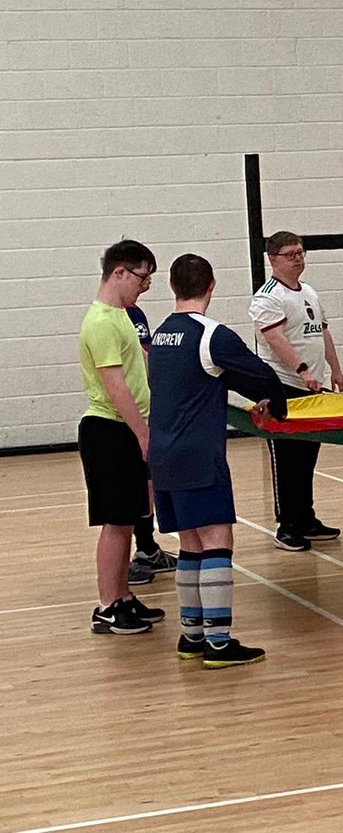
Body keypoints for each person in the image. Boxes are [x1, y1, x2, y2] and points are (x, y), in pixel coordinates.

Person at [149, 254, 288, 668]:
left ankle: (192, 636)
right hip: (198, 452)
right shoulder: (211, 334)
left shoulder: (160, 335)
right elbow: (261, 375)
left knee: (190, 542)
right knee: (217, 540)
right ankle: (219, 642)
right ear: (212, 285)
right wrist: (277, 404)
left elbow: (217, 377)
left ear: (173, 286)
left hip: (162, 452)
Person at [77, 240, 167, 635]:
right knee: (115, 523)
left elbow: (140, 369)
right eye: (142, 278)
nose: (144, 287)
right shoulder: (100, 322)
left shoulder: (122, 317)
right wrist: (142, 432)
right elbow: (116, 387)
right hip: (110, 430)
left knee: (128, 518)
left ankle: (124, 596)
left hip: (124, 429)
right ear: (119, 273)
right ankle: (107, 605)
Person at [250, 231, 343, 551]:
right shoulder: (267, 297)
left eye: (301, 252)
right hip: (284, 388)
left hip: (313, 389)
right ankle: (286, 525)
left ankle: (306, 517)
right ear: (273, 259)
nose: (298, 259)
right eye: (290, 254)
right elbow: (276, 340)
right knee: (287, 458)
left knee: (307, 457)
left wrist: (335, 368)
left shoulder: (309, 292)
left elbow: (322, 333)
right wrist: (302, 370)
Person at [125, 293, 178, 584]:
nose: (146, 285)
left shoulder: (135, 313)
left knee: (148, 482)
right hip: (126, 415)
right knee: (136, 486)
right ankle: (136, 556)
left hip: (147, 408)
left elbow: (147, 357)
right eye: (141, 276)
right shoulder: (111, 317)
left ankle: (146, 548)